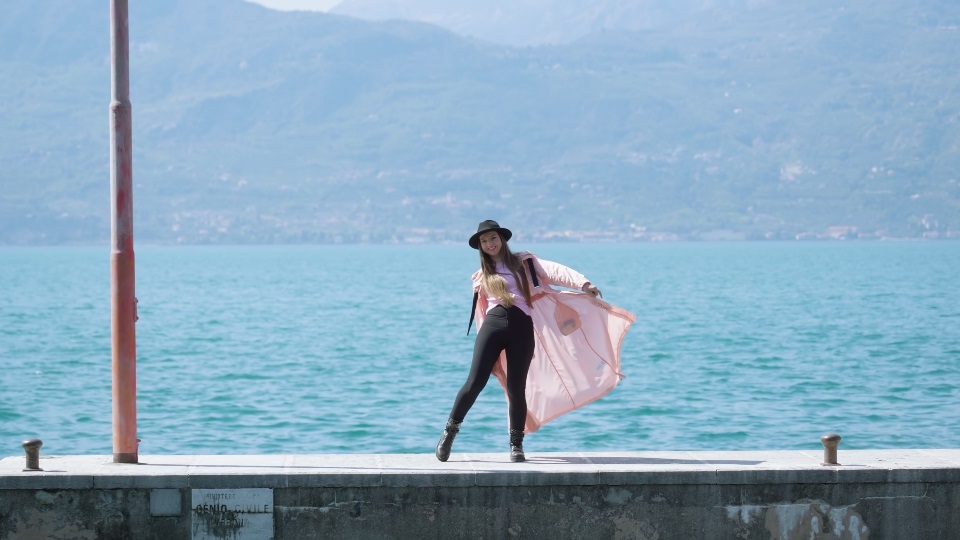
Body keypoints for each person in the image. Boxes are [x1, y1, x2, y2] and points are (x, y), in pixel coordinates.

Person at [436, 220, 636, 463]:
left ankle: (516, 445)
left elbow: (555, 271)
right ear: (480, 246)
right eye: (484, 241)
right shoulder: (482, 276)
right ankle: (450, 433)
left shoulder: (525, 262)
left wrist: (583, 283)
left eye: (493, 238)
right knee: (475, 382)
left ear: (502, 239)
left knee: (517, 388)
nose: (490, 244)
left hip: (522, 328)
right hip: (493, 326)